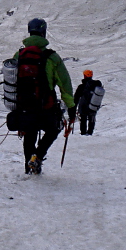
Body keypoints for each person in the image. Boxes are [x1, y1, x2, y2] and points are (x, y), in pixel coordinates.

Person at [11, 18, 75, 174]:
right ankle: (38, 157)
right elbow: (64, 83)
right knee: (54, 128)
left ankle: (29, 167)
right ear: (43, 32)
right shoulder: (52, 57)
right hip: (46, 106)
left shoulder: (18, 55)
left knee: (29, 134)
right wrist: (71, 106)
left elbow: (11, 81)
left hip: (25, 106)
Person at [74, 70, 103, 135]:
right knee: (91, 119)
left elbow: (76, 98)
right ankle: (90, 132)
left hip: (83, 106)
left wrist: (73, 108)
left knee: (83, 119)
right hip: (93, 105)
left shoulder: (81, 86)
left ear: (84, 76)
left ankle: (83, 133)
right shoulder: (96, 85)